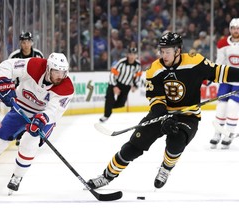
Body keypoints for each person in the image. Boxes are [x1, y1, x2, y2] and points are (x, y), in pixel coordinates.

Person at [87, 32, 239, 190]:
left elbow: (221, 72)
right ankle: (106, 176)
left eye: (168, 51)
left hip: (188, 115)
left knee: (176, 142)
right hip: (161, 113)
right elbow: (156, 100)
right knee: (132, 147)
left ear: (178, 50)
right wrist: (164, 117)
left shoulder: (195, 62)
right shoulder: (155, 69)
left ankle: (166, 168)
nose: (164, 55)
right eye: (162, 50)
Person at [0, 52, 74, 194]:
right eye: (56, 72)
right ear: (48, 69)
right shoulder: (34, 65)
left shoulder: (67, 88)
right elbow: (6, 66)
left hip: (43, 116)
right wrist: (4, 83)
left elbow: (55, 110)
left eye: (63, 72)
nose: (60, 76)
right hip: (21, 107)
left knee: (30, 140)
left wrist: (42, 119)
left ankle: (17, 176)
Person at [8, 31, 44, 146]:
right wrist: (11, 89)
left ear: (32, 42)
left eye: (28, 41)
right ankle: (18, 135)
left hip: (35, 91)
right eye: (24, 42)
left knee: (34, 113)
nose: (26, 44)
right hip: (19, 92)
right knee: (18, 112)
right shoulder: (14, 56)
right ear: (20, 43)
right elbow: (10, 73)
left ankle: (28, 134)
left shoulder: (38, 55)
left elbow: (43, 73)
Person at [210, 18, 239, 150]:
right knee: (221, 106)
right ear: (230, 29)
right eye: (233, 28)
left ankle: (229, 134)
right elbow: (219, 62)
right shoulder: (223, 43)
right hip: (226, 80)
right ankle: (218, 133)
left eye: (238, 28)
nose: (236, 30)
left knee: (233, 106)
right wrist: (213, 75)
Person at [99, 47, 142, 122]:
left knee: (121, 104)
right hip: (115, 83)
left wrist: (135, 86)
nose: (132, 56)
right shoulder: (121, 62)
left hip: (126, 86)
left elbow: (137, 76)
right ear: (127, 55)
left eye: (134, 54)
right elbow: (112, 74)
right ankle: (106, 115)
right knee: (109, 98)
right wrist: (115, 86)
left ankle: (108, 107)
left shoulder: (138, 65)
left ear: (136, 56)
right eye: (130, 54)